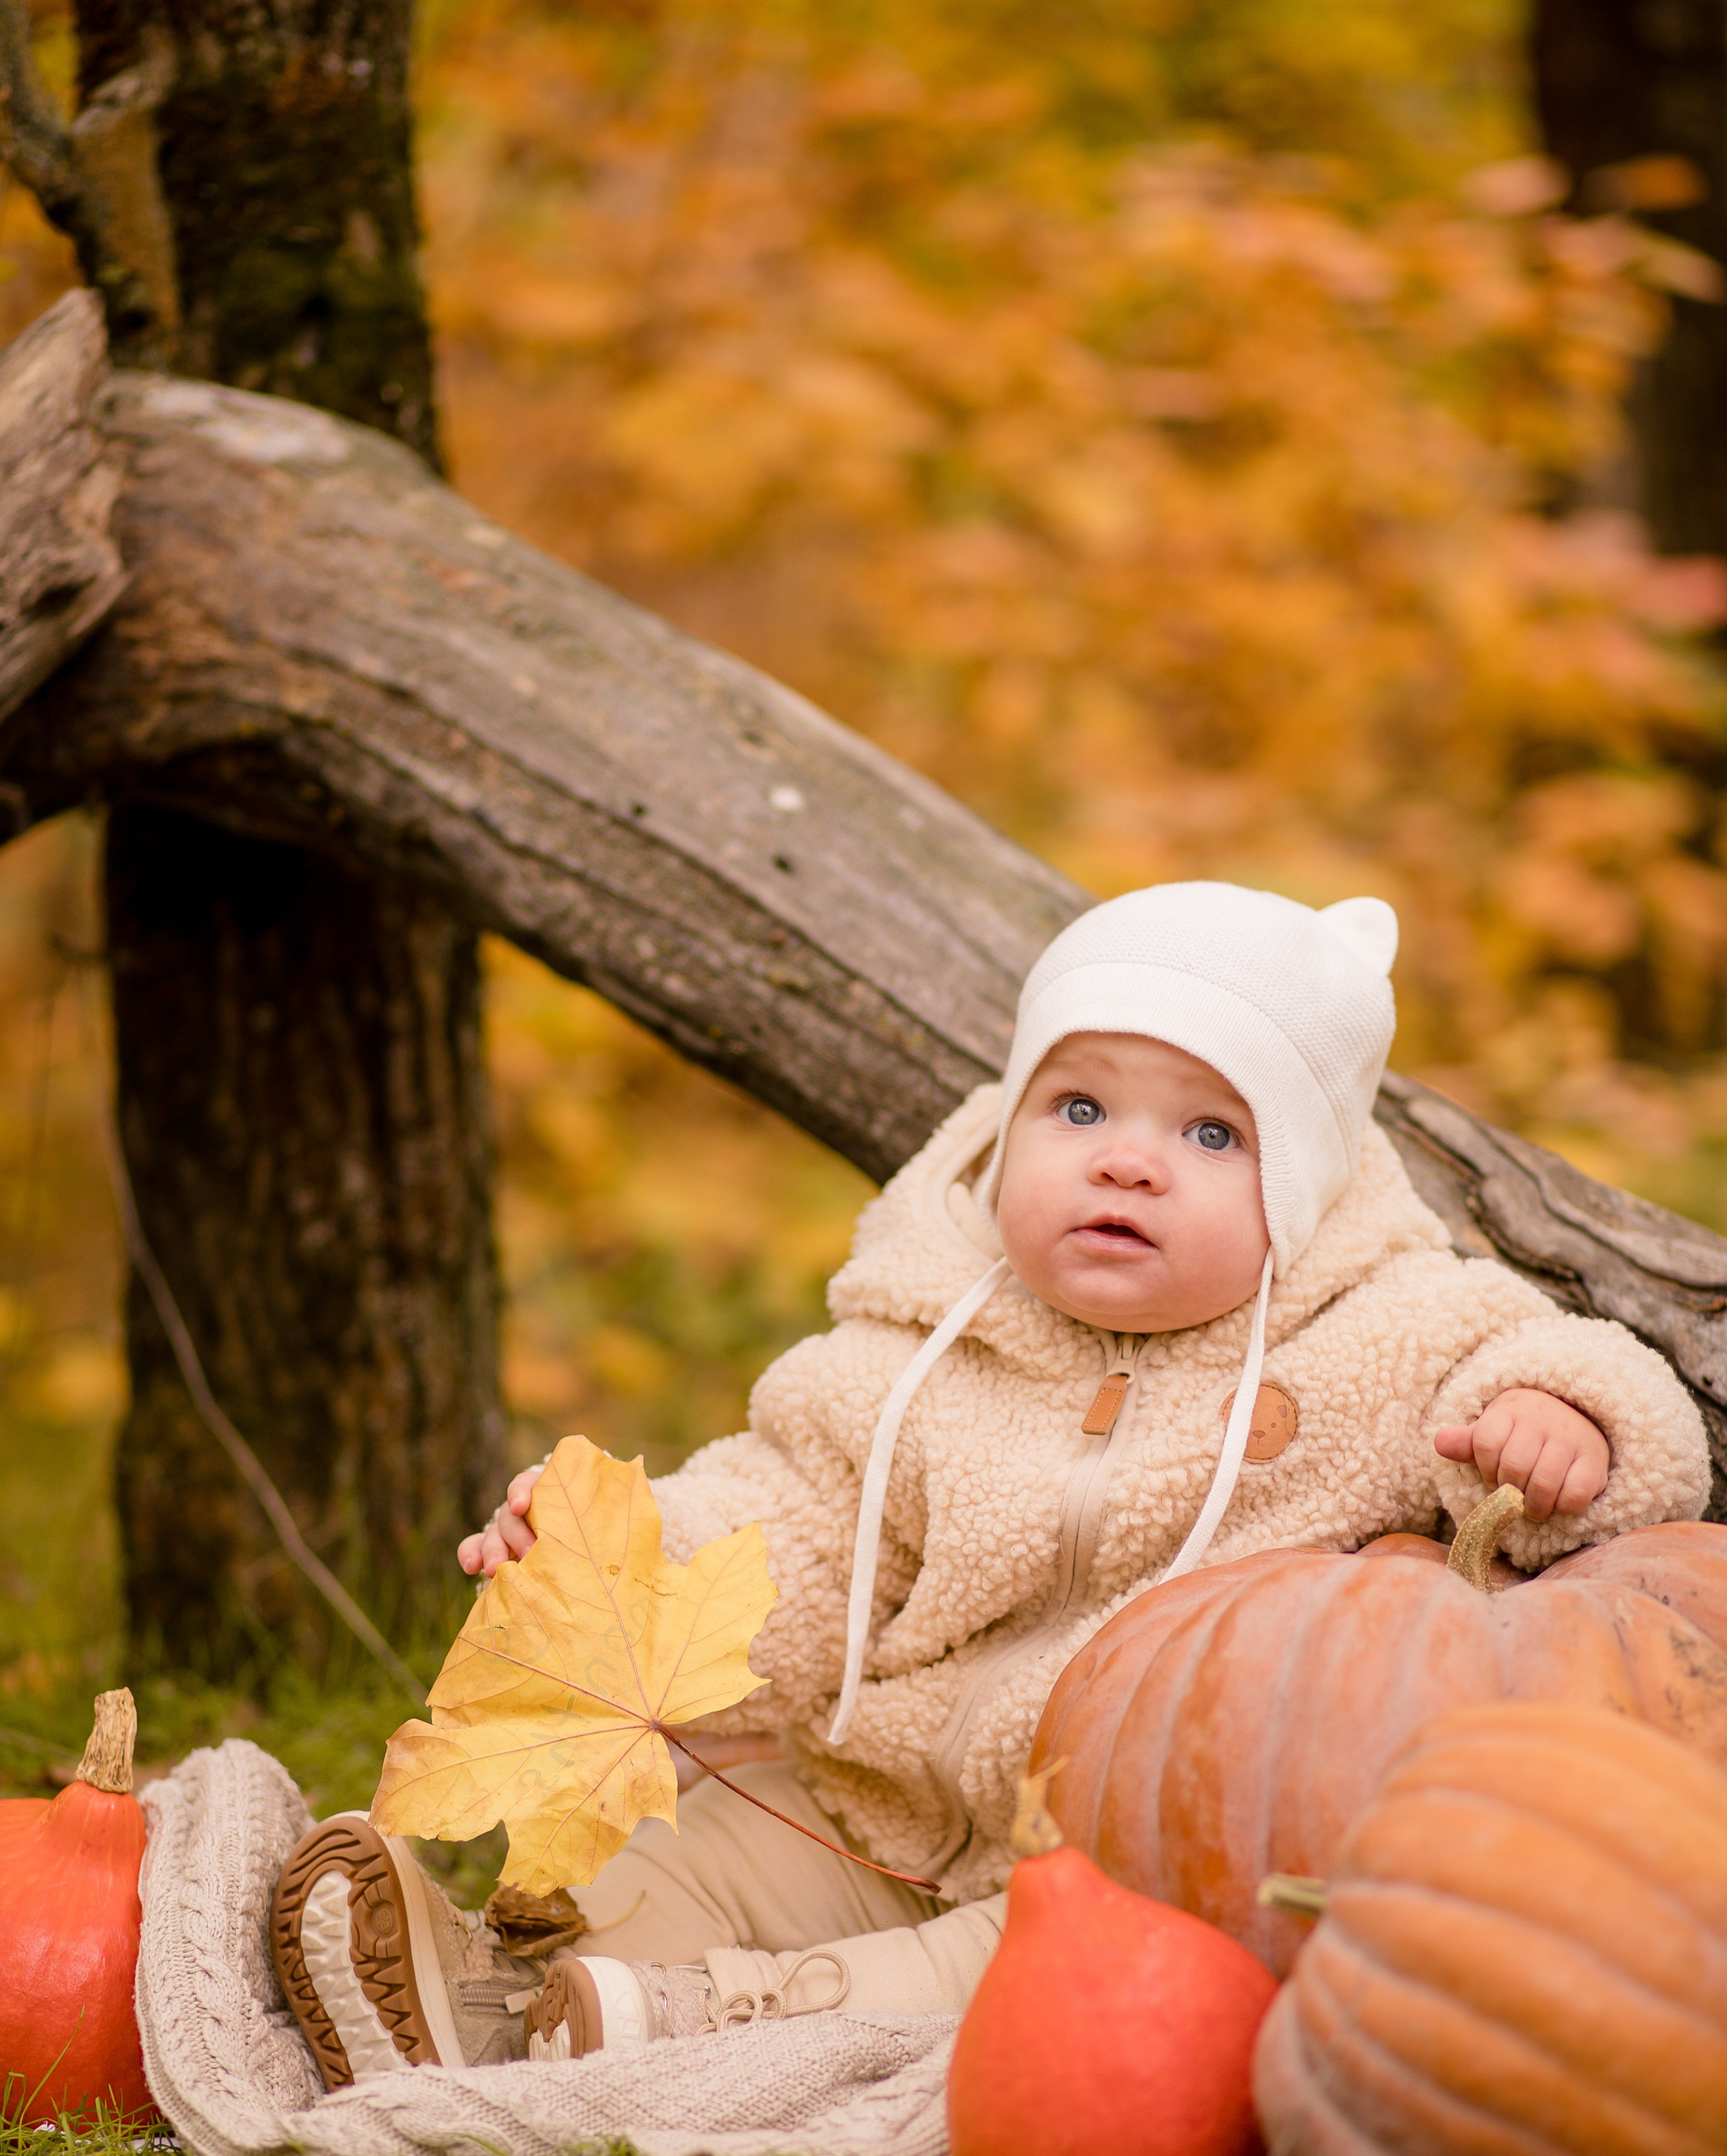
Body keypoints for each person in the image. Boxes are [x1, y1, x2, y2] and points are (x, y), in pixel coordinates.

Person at [270, 883, 1709, 2088]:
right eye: (1078, 1108)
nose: (1128, 1164)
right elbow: (785, 1526)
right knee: (667, 1852)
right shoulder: (918, 1337)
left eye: (1209, 1134)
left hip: (1120, 1864)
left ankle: (709, 2029)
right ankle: (493, 1996)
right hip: (874, 1807)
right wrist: (624, 1565)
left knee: (1048, 1963)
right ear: (1007, 1126)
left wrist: (1559, 1419)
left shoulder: (1386, 1334)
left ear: (1306, 1184)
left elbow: (1581, 1381)